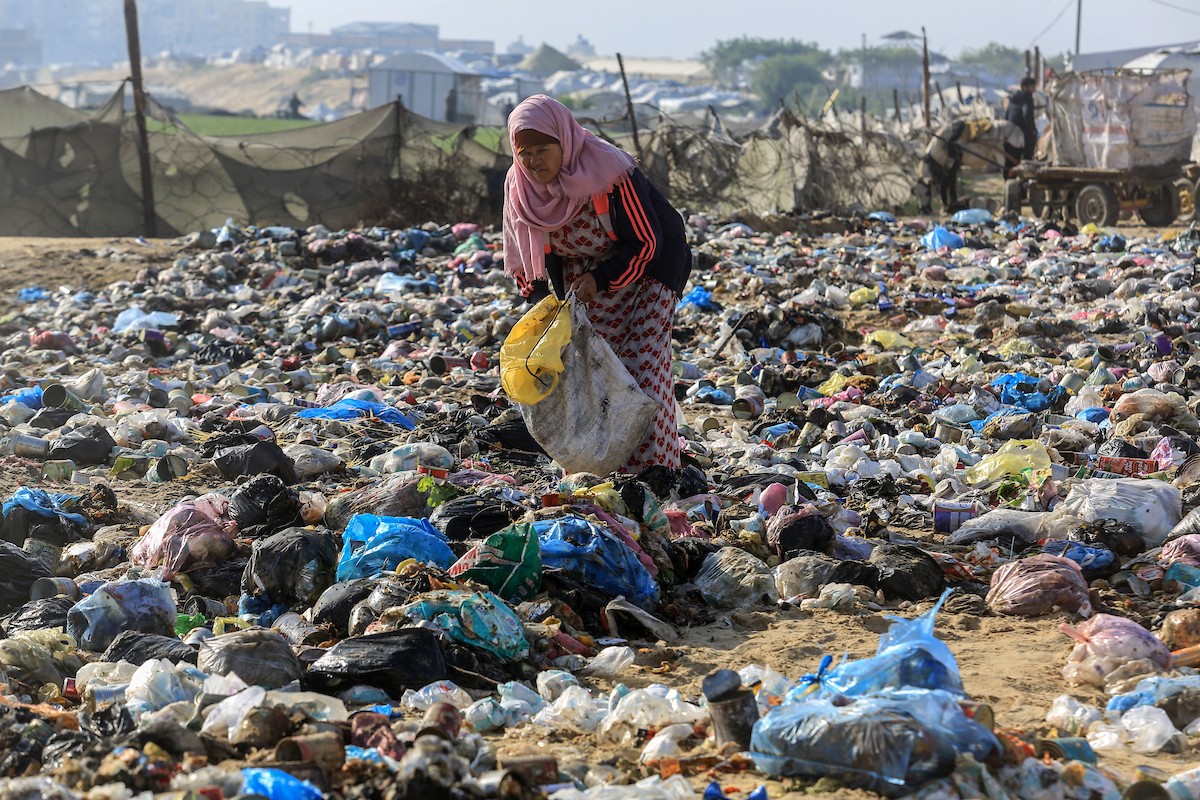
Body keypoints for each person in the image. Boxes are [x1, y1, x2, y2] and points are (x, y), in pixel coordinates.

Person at [503, 94, 692, 472]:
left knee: (639, 369)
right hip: (580, 280)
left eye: (543, 149)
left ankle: (656, 471)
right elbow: (523, 257)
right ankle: (600, 468)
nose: (534, 161)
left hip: (649, 271)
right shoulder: (520, 189)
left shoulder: (610, 172)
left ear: (565, 142)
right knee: (591, 372)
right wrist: (542, 303)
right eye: (525, 153)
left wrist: (603, 278)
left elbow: (647, 241)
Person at [1004, 77, 1038, 178]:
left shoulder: (1013, 98)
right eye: (1032, 87)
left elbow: (1007, 115)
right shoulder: (1027, 97)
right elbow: (1027, 115)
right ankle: (1026, 178)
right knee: (1027, 158)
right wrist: (1033, 130)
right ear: (1025, 87)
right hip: (1020, 134)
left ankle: (1008, 182)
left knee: (1009, 161)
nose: (1034, 90)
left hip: (1008, 132)